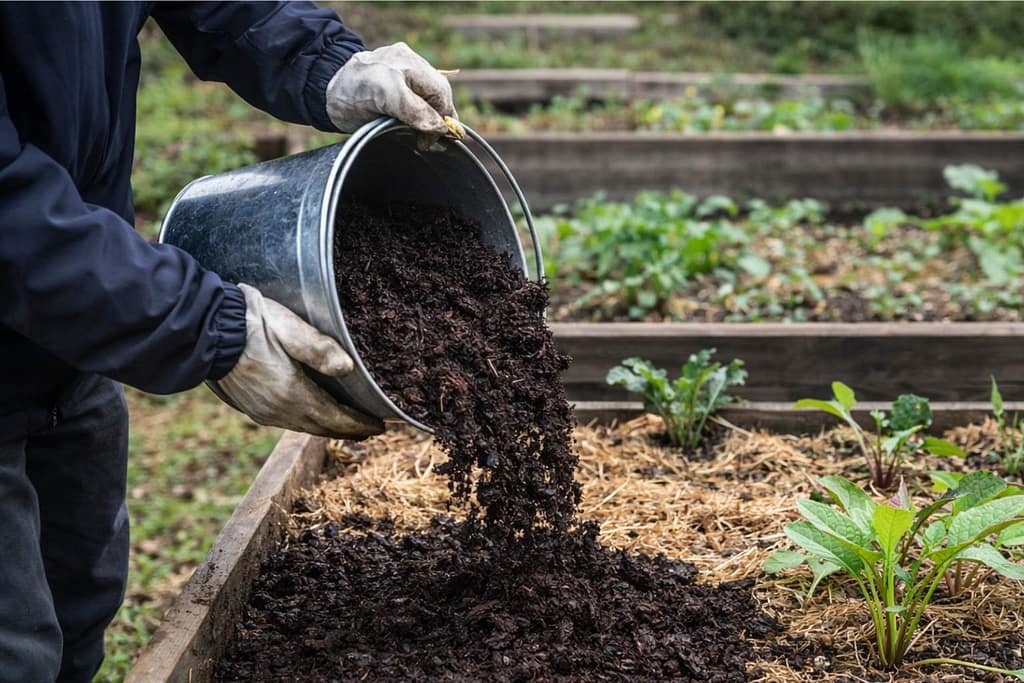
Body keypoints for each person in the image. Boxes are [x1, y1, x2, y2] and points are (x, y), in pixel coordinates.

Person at [0, 3, 458, 680]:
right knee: (16, 651)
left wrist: (329, 64)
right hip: (46, 264)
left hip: (72, 326)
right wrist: (205, 325)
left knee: (77, 612)